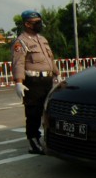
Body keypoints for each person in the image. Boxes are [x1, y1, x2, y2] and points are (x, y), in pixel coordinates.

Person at [11, 10, 60, 155]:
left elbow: (50, 59)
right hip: (33, 81)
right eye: (36, 22)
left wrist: (57, 74)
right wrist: (18, 82)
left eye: (40, 21)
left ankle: (45, 137)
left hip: (47, 80)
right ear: (27, 24)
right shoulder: (21, 42)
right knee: (33, 112)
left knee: (47, 110)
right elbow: (18, 63)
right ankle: (33, 141)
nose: (40, 24)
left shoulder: (42, 39)